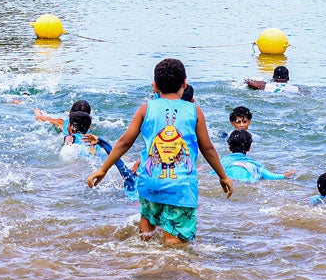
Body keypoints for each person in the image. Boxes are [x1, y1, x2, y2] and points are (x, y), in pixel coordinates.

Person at [87, 57, 233, 245]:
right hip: (180, 187)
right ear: (184, 83)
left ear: (154, 85)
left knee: (146, 230)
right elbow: (208, 148)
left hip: (150, 182)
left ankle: (144, 259)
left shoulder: (145, 109)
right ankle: (167, 263)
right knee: (174, 241)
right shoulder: (195, 111)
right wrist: (222, 176)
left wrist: (103, 169)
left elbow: (124, 142)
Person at [35, 100, 138, 191]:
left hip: (77, 154)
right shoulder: (91, 133)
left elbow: (41, 118)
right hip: (95, 150)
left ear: (70, 114)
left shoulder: (65, 126)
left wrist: (38, 113)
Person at [221, 130, 296, 182]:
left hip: (230, 181)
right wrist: (285, 175)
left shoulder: (223, 161)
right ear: (249, 148)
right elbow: (271, 176)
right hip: (249, 182)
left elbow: (215, 173)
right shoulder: (255, 164)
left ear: (230, 148)